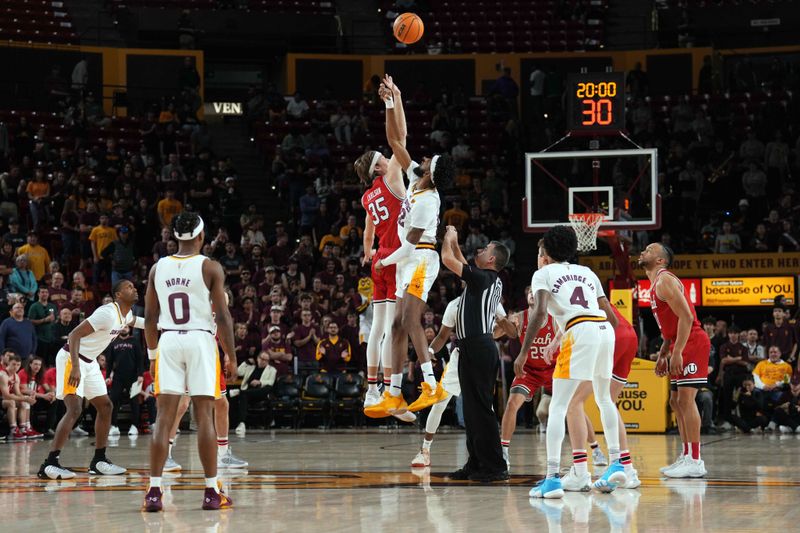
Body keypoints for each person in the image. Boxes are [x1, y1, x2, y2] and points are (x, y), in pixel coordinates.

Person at [366, 75, 456, 417]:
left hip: (420, 259)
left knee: (409, 318)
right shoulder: (417, 175)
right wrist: (392, 101)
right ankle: (393, 393)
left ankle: (431, 382)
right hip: (407, 260)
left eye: (430, 159)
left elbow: (410, 244)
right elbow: (395, 139)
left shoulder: (427, 201)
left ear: (432, 174)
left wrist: (385, 262)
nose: (424, 156)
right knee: (394, 326)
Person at [518, 226, 624, 499]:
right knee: (604, 400)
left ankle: (552, 478)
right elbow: (610, 316)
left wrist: (523, 352)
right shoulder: (587, 273)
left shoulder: (543, 273)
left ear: (545, 254)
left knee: (558, 405)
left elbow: (540, 313)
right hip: (604, 330)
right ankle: (615, 463)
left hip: (580, 332)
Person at [143, 212, 236, 512]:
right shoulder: (210, 266)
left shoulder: (158, 268)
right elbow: (222, 316)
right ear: (201, 237)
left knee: (163, 419)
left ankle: (154, 492)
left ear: (174, 238)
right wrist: (231, 355)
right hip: (199, 339)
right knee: (204, 415)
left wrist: (153, 356)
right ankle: (211, 491)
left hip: (168, 339)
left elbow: (151, 318)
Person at [37, 279, 143, 480]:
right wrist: (76, 367)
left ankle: (99, 461)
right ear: (118, 295)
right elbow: (74, 335)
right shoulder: (107, 313)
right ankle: (49, 463)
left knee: (105, 407)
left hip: (90, 362)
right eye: (129, 287)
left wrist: (166, 327)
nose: (135, 288)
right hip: (72, 358)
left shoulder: (125, 314)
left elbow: (137, 321)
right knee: (74, 408)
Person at [410, 291, 514, 469]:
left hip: (483, 356)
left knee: (486, 407)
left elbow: (510, 332)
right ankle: (425, 450)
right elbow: (442, 336)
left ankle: (500, 453)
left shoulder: (492, 302)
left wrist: (502, 324)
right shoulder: (455, 305)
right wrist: (430, 352)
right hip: (461, 357)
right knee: (440, 403)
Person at [440, 226, 511, 482]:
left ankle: (495, 467)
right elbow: (459, 260)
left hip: (480, 346)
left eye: (484, 249)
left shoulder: (484, 279)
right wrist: (456, 241)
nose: (479, 251)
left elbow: (448, 260)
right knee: (471, 409)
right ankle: (476, 462)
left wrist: (448, 238)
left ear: (491, 259)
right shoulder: (483, 278)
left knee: (481, 408)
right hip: (470, 346)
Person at [639, 242, 710, 478]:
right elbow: (670, 326)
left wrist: (677, 351)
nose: (643, 252)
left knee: (687, 400)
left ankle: (696, 460)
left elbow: (687, 317)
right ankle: (687, 455)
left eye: (649, 249)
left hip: (692, 341)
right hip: (680, 342)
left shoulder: (664, 279)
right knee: (675, 401)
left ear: (661, 260)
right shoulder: (655, 284)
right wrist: (663, 353)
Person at [562, 303, 641, 491]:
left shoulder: (554, 285)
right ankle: (628, 468)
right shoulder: (587, 278)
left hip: (605, 335)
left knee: (573, 401)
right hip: (628, 334)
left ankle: (580, 471)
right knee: (608, 402)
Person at [105, 326, 145, 437]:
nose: (124, 329)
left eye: (126, 327)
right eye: (122, 327)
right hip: (118, 376)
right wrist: (108, 376)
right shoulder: (113, 342)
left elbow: (140, 360)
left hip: (133, 376)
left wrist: (140, 374)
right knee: (113, 400)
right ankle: (113, 426)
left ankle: (134, 426)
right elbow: (109, 361)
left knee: (134, 401)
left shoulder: (135, 341)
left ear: (129, 329)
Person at [1, 353, 39, 439]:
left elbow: (18, 393)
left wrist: (27, 399)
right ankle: (13, 429)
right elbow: (6, 395)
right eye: (13, 364)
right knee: (11, 402)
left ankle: (23, 428)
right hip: (2, 398)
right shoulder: (3, 375)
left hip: (7, 398)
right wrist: (24, 398)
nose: (16, 367)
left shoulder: (16, 376)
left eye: (18, 365)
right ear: (8, 363)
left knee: (23, 403)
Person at [236, 350, 276, 428]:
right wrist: (246, 362)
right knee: (244, 395)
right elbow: (238, 372)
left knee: (268, 388)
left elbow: (271, 382)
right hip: (248, 394)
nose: (263, 361)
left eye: (266, 360)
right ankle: (242, 424)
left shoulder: (272, 370)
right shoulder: (250, 368)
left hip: (260, 393)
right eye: (261, 359)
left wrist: (260, 382)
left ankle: (239, 392)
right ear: (257, 358)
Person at [28, 287, 58, 365]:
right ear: (38, 294)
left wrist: (55, 319)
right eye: (42, 292)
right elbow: (30, 321)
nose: (44, 294)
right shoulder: (34, 306)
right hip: (40, 338)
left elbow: (55, 318)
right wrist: (44, 320)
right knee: (41, 361)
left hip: (51, 338)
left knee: (51, 361)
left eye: (46, 292)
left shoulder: (52, 306)